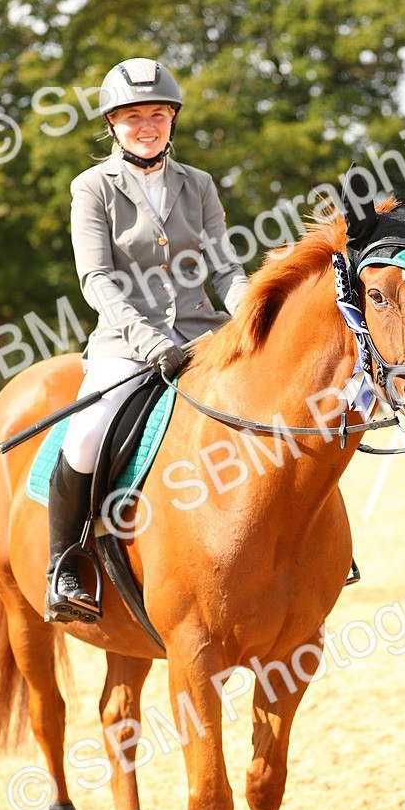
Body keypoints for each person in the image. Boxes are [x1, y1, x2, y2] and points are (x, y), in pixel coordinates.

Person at [45, 57, 249, 623]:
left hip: (202, 335)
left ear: (172, 118)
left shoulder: (198, 184)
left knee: (275, 394)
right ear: (112, 123)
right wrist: (147, 339)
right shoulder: (91, 188)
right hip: (125, 342)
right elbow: (97, 278)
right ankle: (64, 564)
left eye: (157, 113)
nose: (147, 126)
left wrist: (253, 313)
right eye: (133, 116)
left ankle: (319, 546)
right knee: (87, 433)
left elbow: (225, 267)